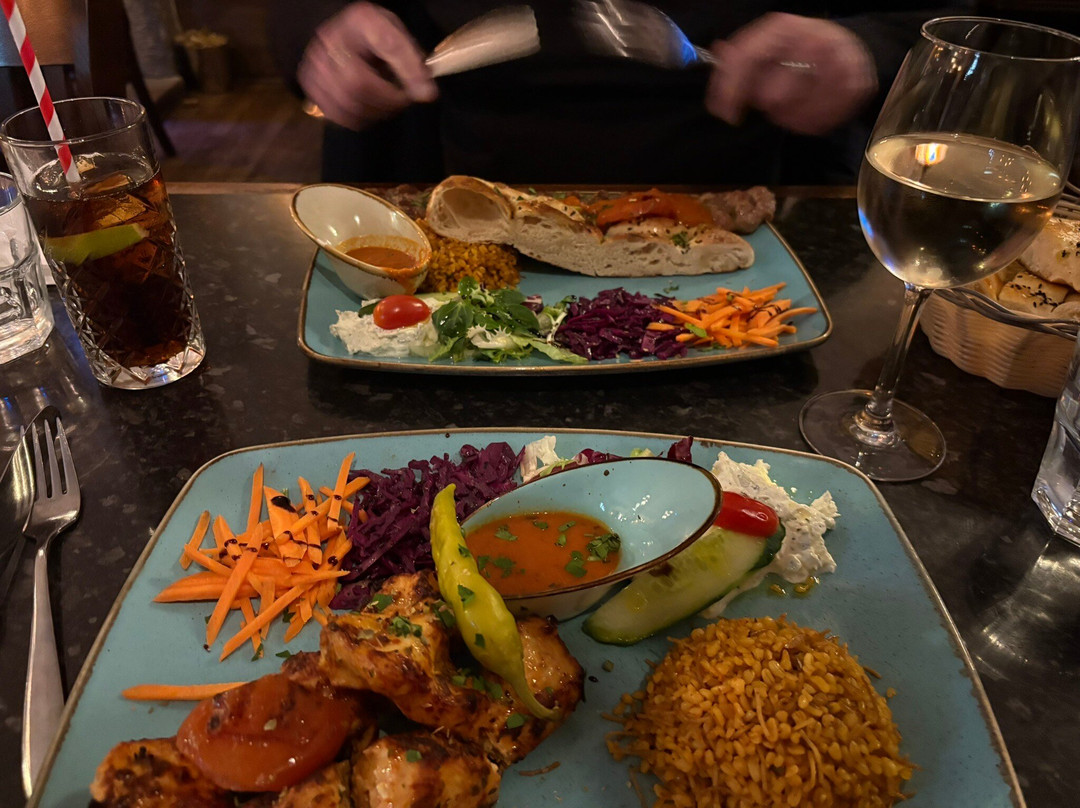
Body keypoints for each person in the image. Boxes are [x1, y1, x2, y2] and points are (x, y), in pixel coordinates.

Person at [268, 2, 962, 185]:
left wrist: (863, 51)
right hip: (434, 170)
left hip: (757, 179)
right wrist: (320, 28)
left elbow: (930, 20)